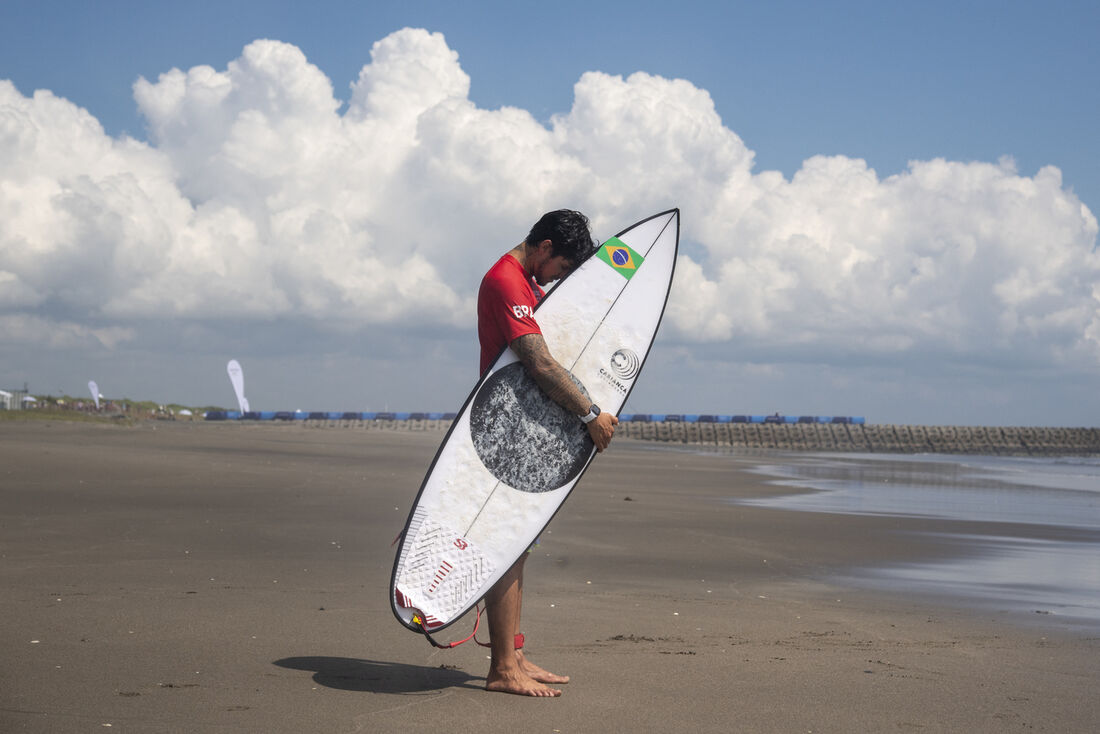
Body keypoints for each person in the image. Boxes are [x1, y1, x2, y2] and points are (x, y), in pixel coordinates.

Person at [476, 209, 619, 697]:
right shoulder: (506, 281)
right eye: (559, 266)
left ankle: (512, 654)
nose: (557, 277)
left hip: (525, 428)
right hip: (506, 429)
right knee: (506, 546)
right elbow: (537, 360)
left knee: (519, 544)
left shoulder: (526, 284)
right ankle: (501, 670)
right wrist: (589, 413)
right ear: (544, 247)